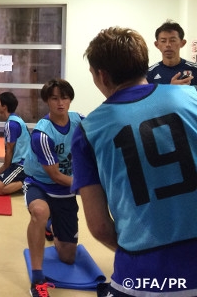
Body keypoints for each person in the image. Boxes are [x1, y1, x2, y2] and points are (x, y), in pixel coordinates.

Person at [72, 27, 197, 297]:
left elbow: (99, 227)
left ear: (101, 75)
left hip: (141, 274)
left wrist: (135, 253)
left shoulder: (89, 130)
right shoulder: (193, 99)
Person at [23, 78, 83, 297]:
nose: (60, 103)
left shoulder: (79, 121)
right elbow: (55, 176)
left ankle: (52, 226)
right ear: (47, 101)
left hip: (65, 191)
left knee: (68, 257)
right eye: (55, 98)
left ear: (70, 99)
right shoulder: (42, 134)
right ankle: (38, 277)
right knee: (40, 211)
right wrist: (86, 186)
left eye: (64, 98)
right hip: (40, 183)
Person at [146, 20, 197, 85]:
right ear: (157, 44)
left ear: (182, 43)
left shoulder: (195, 69)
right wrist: (172, 87)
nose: (168, 45)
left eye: (172, 40)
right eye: (163, 41)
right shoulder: (149, 73)